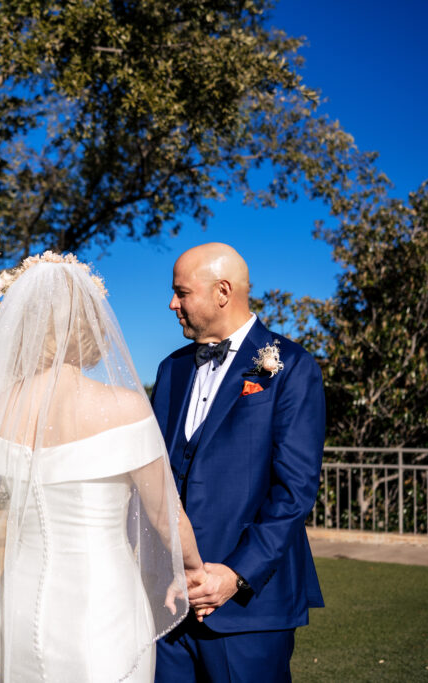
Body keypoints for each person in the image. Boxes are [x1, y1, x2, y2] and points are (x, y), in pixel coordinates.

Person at [0, 252, 205, 683]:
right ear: (92, 326)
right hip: (103, 602)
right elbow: (165, 515)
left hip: (21, 601)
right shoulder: (125, 406)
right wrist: (191, 568)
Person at [151, 243, 326, 682]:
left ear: (222, 292)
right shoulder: (170, 370)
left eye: (181, 292)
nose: (172, 303)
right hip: (168, 603)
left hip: (250, 608)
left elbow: (295, 491)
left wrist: (234, 575)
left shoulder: (291, 366)